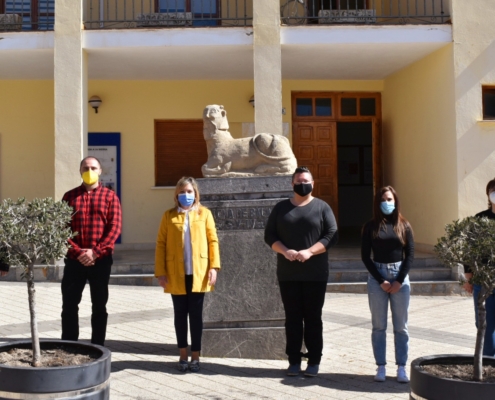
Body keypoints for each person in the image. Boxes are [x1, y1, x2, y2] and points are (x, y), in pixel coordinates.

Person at [264, 166, 338, 377]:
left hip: (315, 273)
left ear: (313, 184)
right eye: (298, 181)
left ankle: (314, 360)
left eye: (305, 180)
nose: (302, 184)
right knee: (293, 318)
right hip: (288, 274)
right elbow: (269, 236)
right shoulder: (281, 208)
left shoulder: (322, 207)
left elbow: (332, 235)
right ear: (292, 184)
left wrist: (310, 252)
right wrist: (286, 251)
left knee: (313, 318)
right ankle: (294, 360)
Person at [155, 176, 220, 373]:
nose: (186, 195)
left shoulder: (205, 214)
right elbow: (161, 244)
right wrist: (161, 272)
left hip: (198, 273)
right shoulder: (168, 216)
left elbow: (213, 241)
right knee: (180, 316)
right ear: (176, 195)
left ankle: (196, 356)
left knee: (196, 316)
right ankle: (183, 355)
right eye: (182, 192)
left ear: (196, 194)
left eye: (189, 192)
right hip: (176, 273)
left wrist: (214, 267)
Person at [61, 156, 122, 346]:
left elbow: (114, 228)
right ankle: (70, 345)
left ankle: (97, 346)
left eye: (93, 168)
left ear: (100, 171)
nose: (90, 171)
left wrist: (95, 252)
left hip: (101, 260)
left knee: (99, 305)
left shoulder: (110, 196)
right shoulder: (69, 197)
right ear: (80, 171)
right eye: (86, 168)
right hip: (74, 260)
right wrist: (79, 252)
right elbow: (62, 229)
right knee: (70, 305)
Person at [361, 186, 414, 383]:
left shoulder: (404, 225)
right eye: (384, 199)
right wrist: (381, 280)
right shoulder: (370, 227)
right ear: (378, 202)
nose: (387, 202)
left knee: (401, 327)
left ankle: (401, 367)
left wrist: (399, 280)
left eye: (390, 199)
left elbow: (410, 255)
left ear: (396, 201)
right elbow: (365, 257)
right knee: (378, 326)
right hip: (378, 277)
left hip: (400, 275)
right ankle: (381, 366)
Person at [462, 178, 495, 357]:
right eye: (492, 190)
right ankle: (489, 365)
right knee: (484, 325)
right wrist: (469, 278)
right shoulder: (480, 219)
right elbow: (469, 250)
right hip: (483, 282)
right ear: (488, 195)